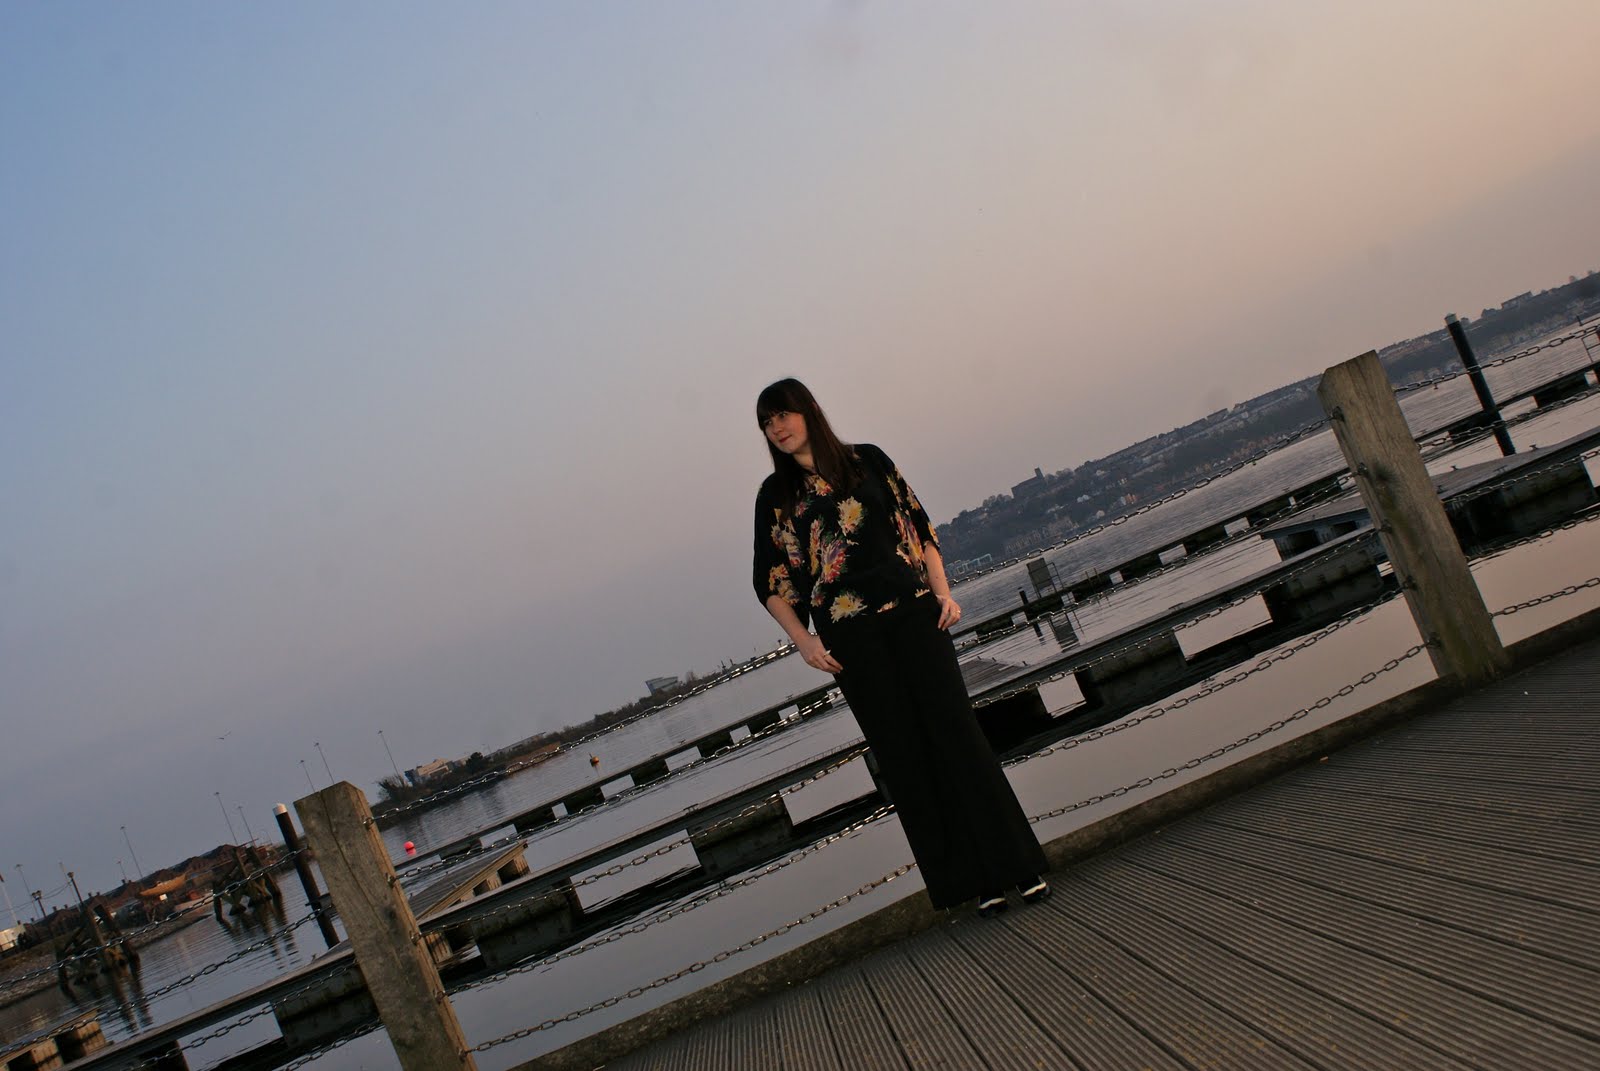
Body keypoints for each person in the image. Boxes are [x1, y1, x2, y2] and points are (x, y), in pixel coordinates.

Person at [750, 378, 1048, 916]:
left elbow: (918, 526)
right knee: (905, 754)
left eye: (783, 414)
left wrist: (943, 592)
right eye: (767, 422)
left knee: (959, 735)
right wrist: (804, 641)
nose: (777, 428)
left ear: (810, 409)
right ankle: (973, 883)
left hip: (915, 616)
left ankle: (1018, 865)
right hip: (851, 640)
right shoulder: (776, 496)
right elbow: (771, 581)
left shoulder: (868, 460)